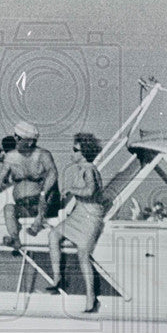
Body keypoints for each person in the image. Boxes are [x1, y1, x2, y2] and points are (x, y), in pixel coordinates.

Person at [46, 133, 105, 313]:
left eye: (75, 149)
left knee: (83, 255)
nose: (72, 152)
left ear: (83, 152)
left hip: (90, 215)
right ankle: (57, 278)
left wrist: (71, 189)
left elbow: (90, 191)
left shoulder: (89, 169)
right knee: (53, 234)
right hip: (80, 213)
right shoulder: (83, 169)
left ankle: (91, 298)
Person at [0, 121, 59, 253]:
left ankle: (38, 222)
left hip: (42, 203)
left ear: (30, 142)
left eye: (18, 138)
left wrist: (43, 193)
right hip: (23, 206)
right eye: (15, 136)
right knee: (8, 208)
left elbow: (53, 174)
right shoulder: (11, 156)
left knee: (49, 192)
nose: (15, 140)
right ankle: (15, 238)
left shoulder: (42, 155)